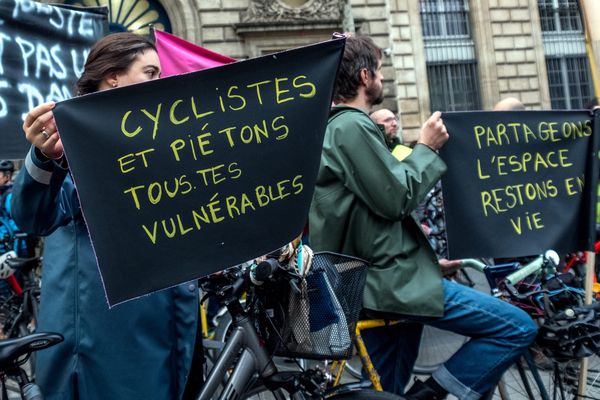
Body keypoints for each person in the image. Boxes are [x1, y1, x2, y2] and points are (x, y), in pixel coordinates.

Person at [309, 35, 537, 399]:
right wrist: (427, 147)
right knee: (516, 327)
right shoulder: (350, 125)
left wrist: (429, 262)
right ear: (365, 76)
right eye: (381, 71)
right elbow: (395, 198)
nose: (384, 79)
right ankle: (430, 394)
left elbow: (372, 219)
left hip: (382, 282)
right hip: (389, 285)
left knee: (387, 390)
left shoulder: (342, 126)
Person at [12, 32, 199, 400]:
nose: (159, 82)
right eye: (150, 73)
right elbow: (33, 216)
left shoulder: (160, 136)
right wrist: (43, 159)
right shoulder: (73, 136)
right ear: (113, 75)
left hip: (162, 322)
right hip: (109, 335)